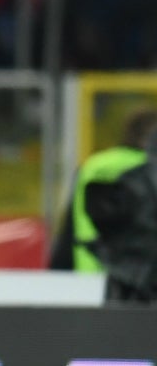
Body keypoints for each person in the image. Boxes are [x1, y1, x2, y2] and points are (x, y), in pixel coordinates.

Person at [51, 108, 157, 303]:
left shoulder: (94, 164)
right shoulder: (147, 172)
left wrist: (56, 272)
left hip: (86, 273)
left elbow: (70, 226)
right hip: (138, 282)